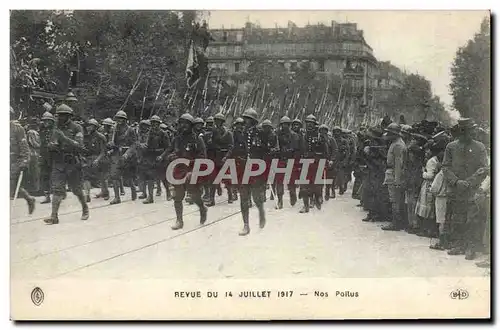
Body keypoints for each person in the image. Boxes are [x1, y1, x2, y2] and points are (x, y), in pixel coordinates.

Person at [442, 118, 488, 260]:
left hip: (472, 190)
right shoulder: (451, 147)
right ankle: (458, 244)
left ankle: (471, 247)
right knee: (457, 217)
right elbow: (445, 167)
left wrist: (469, 182)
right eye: (470, 130)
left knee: (472, 219)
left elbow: (484, 168)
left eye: (473, 130)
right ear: (462, 132)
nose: (473, 133)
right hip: (456, 189)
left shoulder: (480, 147)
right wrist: (456, 181)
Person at [44, 104, 88, 225]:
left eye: (63, 115)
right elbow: (52, 143)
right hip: (58, 162)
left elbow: (79, 145)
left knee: (76, 189)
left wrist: (63, 138)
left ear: (69, 116)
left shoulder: (77, 128)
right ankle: (54, 216)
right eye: (59, 115)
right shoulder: (55, 128)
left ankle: (85, 208)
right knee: (57, 189)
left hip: (72, 163)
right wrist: (51, 146)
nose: (60, 117)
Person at [168, 113, 207, 230]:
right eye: (181, 123)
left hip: (192, 170)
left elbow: (203, 157)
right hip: (178, 170)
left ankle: (202, 208)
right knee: (177, 196)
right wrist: (171, 156)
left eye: (186, 123)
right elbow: (169, 151)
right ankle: (179, 220)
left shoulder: (197, 139)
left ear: (191, 125)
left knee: (194, 196)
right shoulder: (176, 139)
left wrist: (191, 163)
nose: (183, 125)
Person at [107, 110, 138, 205]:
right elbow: (110, 143)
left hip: (126, 154)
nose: (119, 120)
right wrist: (110, 144)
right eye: (118, 118)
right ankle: (117, 197)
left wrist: (128, 153)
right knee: (114, 175)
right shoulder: (114, 129)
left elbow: (134, 143)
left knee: (128, 176)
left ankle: (133, 189)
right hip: (116, 153)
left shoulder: (130, 130)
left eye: (122, 119)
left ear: (125, 120)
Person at [382, 123, 408, 231]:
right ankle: (397, 222)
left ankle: (396, 223)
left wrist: (397, 180)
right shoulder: (396, 143)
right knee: (395, 200)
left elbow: (398, 164)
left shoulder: (397, 145)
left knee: (395, 200)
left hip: (394, 173)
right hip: (392, 172)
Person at [10, 106, 36, 214]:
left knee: (11, 187)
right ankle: (29, 199)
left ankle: (29, 199)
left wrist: (25, 160)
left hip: (15, 161)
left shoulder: (17, 128)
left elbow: (24, 145)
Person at [140, 115, 170, 204]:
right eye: (152, 123)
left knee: (163, 177)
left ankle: (168, 192)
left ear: (159, 124)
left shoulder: (163, 133)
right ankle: (150, 197)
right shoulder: (149, 133)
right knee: (150, 177)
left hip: (161, 157)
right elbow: (146, 144)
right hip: (151, 157)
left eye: (156, 123)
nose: (154, 125)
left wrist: (162, 156)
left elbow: (168, 147)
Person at [82, 118, 107, 202]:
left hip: (99, 158)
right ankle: (87, 195)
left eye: (91, 126)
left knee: (102, 177)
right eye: (88, 125)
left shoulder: (101, 137)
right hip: (89, 158)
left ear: (95, 127)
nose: (88, 127)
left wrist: (97, 159)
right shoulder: (86, 137)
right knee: (86, 176)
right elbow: (85, 149)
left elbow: (103, 151)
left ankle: (105, 192)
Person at [39, 111, 56, 204]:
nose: (46, 123)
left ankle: (57, 195)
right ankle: (47, 196)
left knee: (55, 176)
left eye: (48, 121)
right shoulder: (42, 131)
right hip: (45, 156)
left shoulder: (56, 131)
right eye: (44, 121)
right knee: (45, 175)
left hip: (54, 156)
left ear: (51, 121)